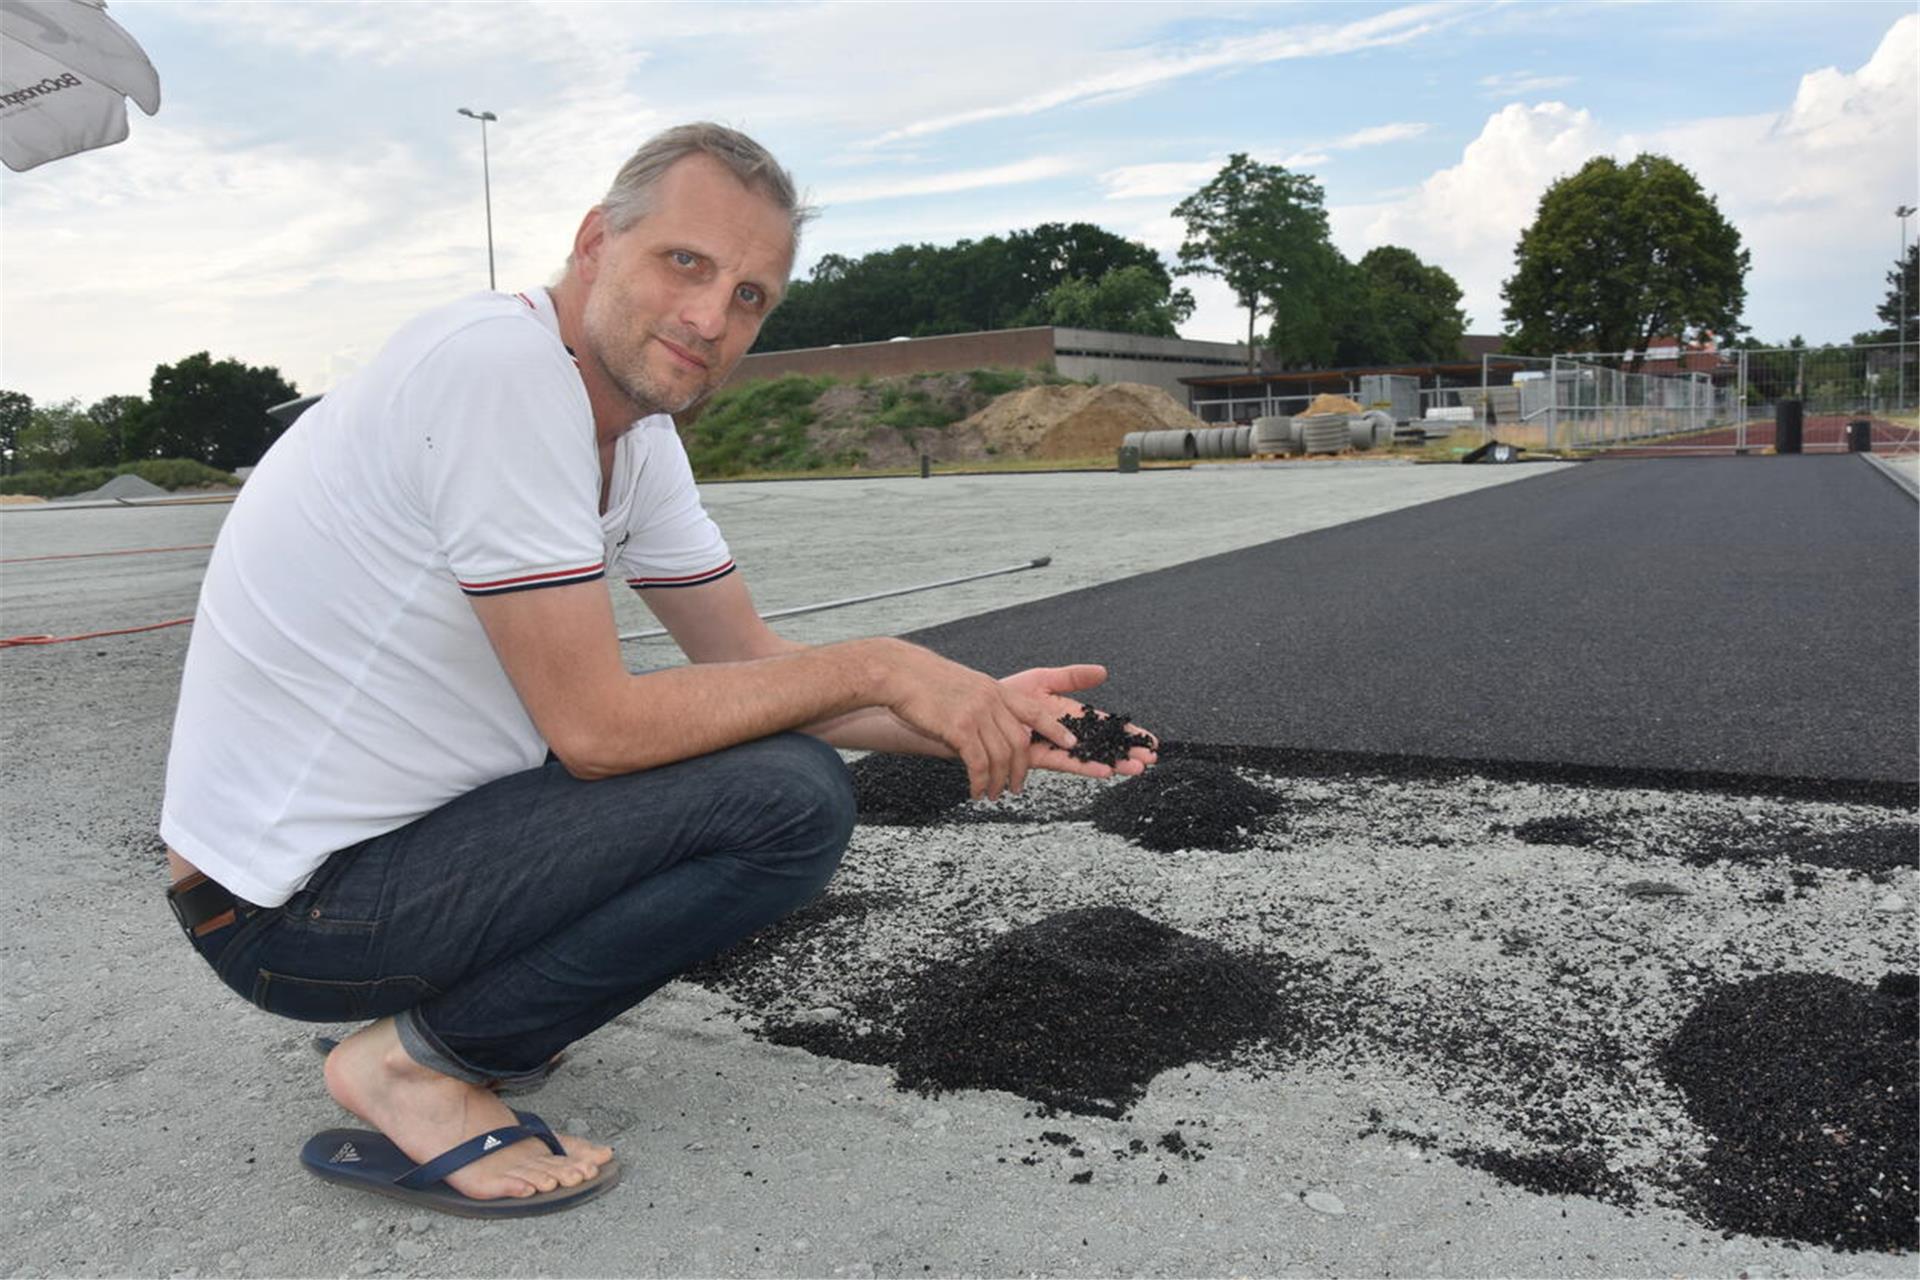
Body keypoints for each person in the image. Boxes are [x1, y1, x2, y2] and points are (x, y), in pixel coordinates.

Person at [160, 122, 1157, 1218]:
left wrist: (979, 712)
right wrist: (883, 658)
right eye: (686, 262)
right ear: (596, 241)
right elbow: (598, 727)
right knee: (786, 796)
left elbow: (754, 665)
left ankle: (453, 1024)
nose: (709, 317)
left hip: (403, 854)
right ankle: (412, 1062)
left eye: (749, 297)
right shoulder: (497, 369)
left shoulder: (633, 434)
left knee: (769, 753)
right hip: (287, 908)